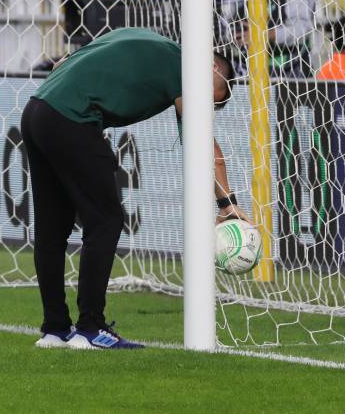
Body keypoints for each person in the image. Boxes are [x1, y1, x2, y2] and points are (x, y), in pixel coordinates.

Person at [21, 27, 247, 350]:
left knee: (51, 230)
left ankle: (55, 330)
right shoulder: (185, 70)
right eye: (215, 97)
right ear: (213, 69)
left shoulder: (143, 38)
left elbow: (63, 64)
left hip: (37, 111)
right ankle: (90, 328)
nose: (209, 106)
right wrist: (228, 203)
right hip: (72, 118)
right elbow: (203, 146)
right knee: (106, 220)